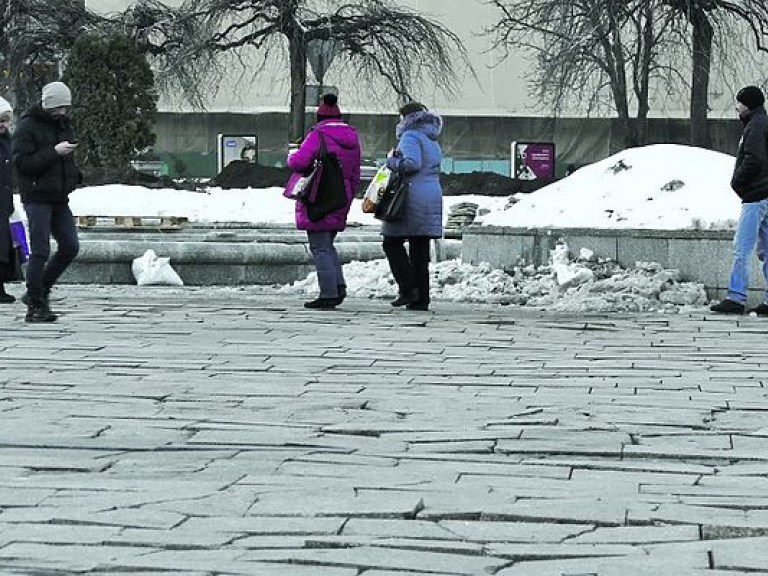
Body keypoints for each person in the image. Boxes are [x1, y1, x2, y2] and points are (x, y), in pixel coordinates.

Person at [13, 81, 81, 323]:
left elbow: (65, 160)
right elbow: (22, 163)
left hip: (59, 196)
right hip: (36, 196)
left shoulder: (64, 125)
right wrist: (55, 152)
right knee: (40, 249)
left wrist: (74, 175)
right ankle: (35, 305)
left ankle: (40, 289)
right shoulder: (27, 126)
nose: (62, 112)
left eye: (66, 107)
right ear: (48, 105)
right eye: (58, 107)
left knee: (70, 246)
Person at [286, 93, 361, 309]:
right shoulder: (352, 137)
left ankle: (328, 294)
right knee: (327, 243)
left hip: (319, 195)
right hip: (341, 195)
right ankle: (337, 287)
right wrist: (348, 194)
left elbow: (300, 162)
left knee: (319, 245)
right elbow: (355, 172)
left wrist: (291, 155)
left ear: (319, 116)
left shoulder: (317, 135)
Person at [710, 85, 768, 315]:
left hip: (755, 196)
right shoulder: (763, 122)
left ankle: (736, 297)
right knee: (767, 251)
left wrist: (737, 183)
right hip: (766, 194)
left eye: (740, 103)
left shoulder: (754, 126)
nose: (737, 107)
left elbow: (754, 159)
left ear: (749, 105)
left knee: (741, 248)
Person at [381, 102, 444, 311]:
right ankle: (421, 299)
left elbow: (411, 164)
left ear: (406, 118)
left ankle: (408, 288)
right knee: (419, 248)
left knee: (391, 242)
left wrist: (391, 161)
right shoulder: (431, 138)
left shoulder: (410, 136)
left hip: (411, 196)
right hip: (431, 194)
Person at [0, 96, 17, 303]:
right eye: (0, 121)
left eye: (6, 121)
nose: (4, 125)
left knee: (3, 245)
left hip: (3, 200)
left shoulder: (7, 140)